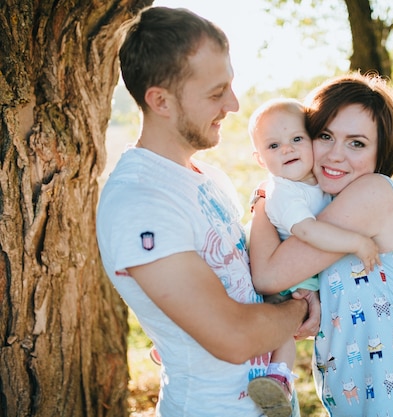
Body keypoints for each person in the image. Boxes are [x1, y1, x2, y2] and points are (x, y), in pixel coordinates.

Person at [95, 7, 318, 417]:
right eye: (217, 93)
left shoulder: (207, 176)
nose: (233, 104)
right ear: (160, 100)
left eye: (230, 85)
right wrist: (301, 309)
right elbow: (232, 336)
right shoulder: (140, 201)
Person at [249, 73, 393, 416]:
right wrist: (314, 297)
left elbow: (267, 274)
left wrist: (268, 196)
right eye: (325, 136)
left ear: (380, 151)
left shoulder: (371, 192)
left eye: (357, 143)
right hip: (352, 394)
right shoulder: (325, 205)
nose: (335, 155)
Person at [245, 98, 381, 416]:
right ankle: (279, 379)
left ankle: (279, 382)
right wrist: (356, 242)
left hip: (303, 274)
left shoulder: (313, 182)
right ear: (260, 158)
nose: (288, 150)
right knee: (284, 329)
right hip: (287, 279)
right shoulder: (283, 193)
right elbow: (308, 231)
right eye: (274, 145)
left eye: (296, 139)